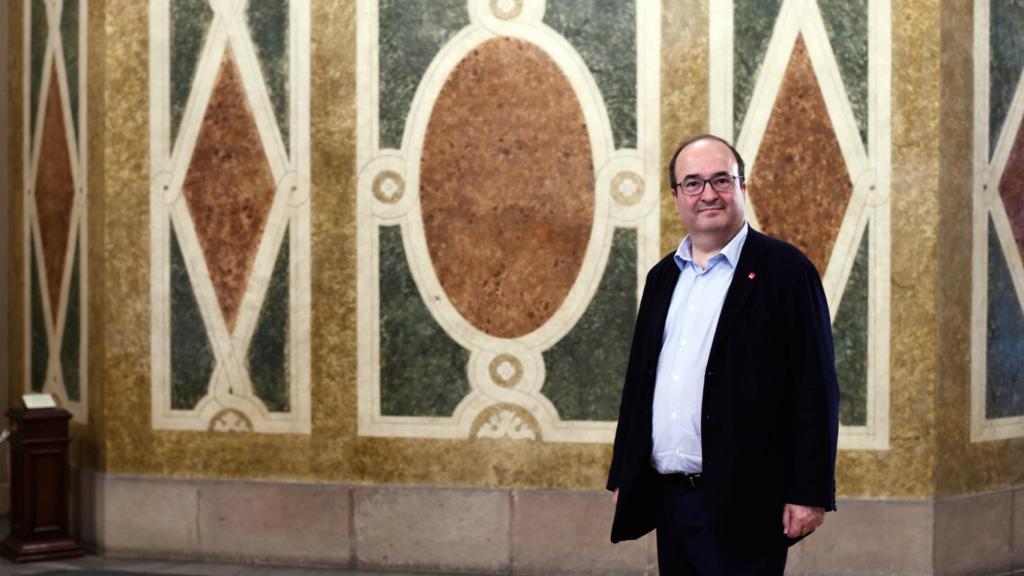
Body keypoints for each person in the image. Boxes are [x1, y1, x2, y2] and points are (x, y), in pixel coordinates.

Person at [607, 134, 840, 574]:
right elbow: (639, 383)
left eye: (721, 180)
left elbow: (816, 387)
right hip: (669, 500)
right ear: (676, 196)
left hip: (748, 499)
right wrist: (625, 471)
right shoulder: (662, 278)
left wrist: (810, 490)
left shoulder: (786, 271)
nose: (708, 194)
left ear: (743, 187)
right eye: (692, 183)